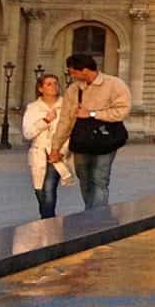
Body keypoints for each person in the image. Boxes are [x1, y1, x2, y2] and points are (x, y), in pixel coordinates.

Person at [54, 53, 131, 209]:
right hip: (82, 140)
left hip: (105, 140)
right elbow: (65, 120)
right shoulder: (73, 90)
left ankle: (97, 217)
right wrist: (56, 146)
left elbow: (123, 111)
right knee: (83, 176)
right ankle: (91, 210)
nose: (71, 75)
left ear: (85, 70)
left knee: (99, 178)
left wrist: (93, 114)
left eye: (73, 72)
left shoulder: (115, 85)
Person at [21, 71, 72, 219]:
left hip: (57, 153)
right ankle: (49, 219)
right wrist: (45, 121)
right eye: (49, 84)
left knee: (49, 187)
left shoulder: (66, 106)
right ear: (40, 88)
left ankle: (48, 222)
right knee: (39, 190)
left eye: (56, 83)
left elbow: (71, 131)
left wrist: (62, 151)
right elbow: (28, 133)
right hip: (39, 153)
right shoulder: (33, 108)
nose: (54, 87)